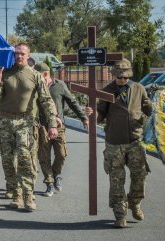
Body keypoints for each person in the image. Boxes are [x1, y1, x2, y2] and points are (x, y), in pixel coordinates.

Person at [0, 42, 58, 212]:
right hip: (5, 122)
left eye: (22, 53)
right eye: (17, 53)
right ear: (13, 55)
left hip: (26, 122)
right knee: (8, 160)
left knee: (26, 159)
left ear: (28, 56)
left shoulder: (35, 76)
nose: (19, 56)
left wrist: (52, 124)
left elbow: (46, 101)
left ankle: (28, 194)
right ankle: (15, 193)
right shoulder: (4, 73)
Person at [97, 58, 152, 228]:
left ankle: (134, 202)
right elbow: (99, 116)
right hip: (114, 143)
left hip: (135, 141)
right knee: (116, 180)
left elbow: (148, 109)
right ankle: (120, 214)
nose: (122, 80)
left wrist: (159, 108)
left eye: (124, 77)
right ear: (114, 76)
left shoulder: (138, 88)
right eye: (119, 77)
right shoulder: (107, 91)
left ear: (129, 75)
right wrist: (91, 113)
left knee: (140, 176)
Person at [34, 62, 93, 197]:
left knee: (61, 154)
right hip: (41, 126)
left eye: (37, 75)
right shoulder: (35, 87)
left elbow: (72, 102)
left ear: (45, 74)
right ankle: (49, 184)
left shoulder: (59, 85)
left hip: (59, 126)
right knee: (44, 157)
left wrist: (83, 118)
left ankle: (55, 174)